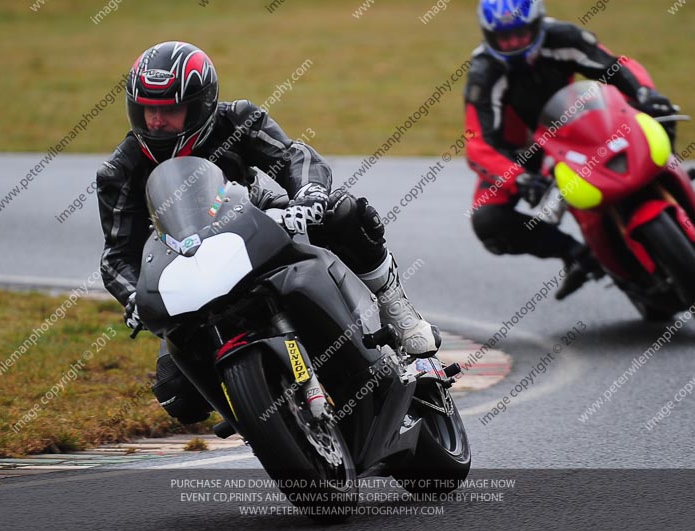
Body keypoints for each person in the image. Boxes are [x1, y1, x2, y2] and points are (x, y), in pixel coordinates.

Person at [97, 41, 440, 424]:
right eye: (148, 110)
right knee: (178, 395)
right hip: (186, 272)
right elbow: (116, 257)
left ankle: (397, 310)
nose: (156, 122)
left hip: (256, 229)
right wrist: (133, 297)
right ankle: (260, 415)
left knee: (342, 213)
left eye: (169, 111)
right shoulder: (120, 172)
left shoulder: (237, 119)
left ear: (200, 106)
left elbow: (294, 156)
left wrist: (308, 194)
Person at [465, 0, 695, 299]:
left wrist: (646, 93)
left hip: (576, 124)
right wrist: (518, 177)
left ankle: (672, 181)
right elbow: (478, 143)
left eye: (520, 35)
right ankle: (576, 255)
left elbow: (616, 67)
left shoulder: (564, 37)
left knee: (653, 115)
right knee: (488, 220)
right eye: (503, 38)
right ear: (488, 35)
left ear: (537, 25)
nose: (513, 44)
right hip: (522, 153)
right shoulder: (484, 72)